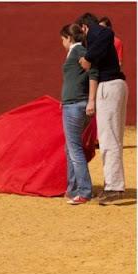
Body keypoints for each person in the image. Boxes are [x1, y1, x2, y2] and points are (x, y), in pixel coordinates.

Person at [76, 12, 128, 204]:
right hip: (116, 86)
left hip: (109, 87)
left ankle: (114, 187)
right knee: (113, 138)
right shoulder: (99, 37)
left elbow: (107, 33)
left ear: (84, 27)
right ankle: (114, 184)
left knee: (108, 139)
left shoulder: (98, 33)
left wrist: (88, 57)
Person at [60, 24, 98, 204]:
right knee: (71, 147)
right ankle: (73, 188)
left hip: (76, 105)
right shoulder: (77, 52)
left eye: (62, 39)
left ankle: (84, 190)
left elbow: (94, 71)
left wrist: (91, 100)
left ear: (69, 37)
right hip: (73, 103)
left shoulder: (78, 51)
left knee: (74, 149)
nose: (62, 43)